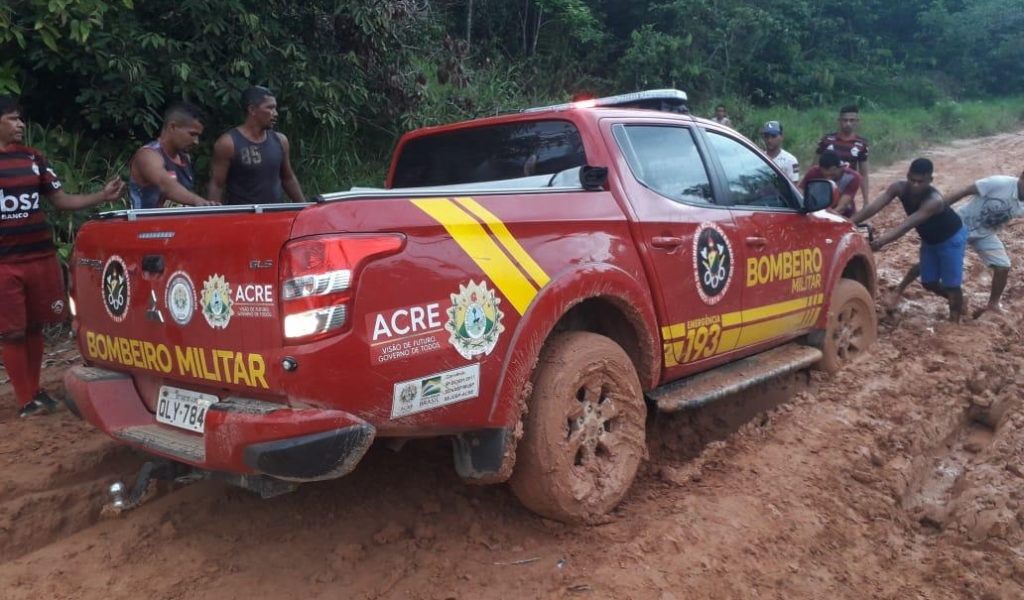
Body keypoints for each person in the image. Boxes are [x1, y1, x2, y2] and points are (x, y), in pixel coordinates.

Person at [0, 95, 125, 417]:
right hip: (4, 264)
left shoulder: (32, 158)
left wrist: (102, 195)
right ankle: (26, 399)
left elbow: (60, 200)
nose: (21, 125)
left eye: (20, 119)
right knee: (12, 330)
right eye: (13, 119)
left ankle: (36, 390)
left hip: (40, 256)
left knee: (35, 326)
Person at [889, 169, 1024, 318]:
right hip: (958, 226)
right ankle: (899, 289)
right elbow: (964, 191)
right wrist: (936, 211)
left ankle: (993, 304)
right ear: (1021, 178)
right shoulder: (999, 183)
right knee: (930, 264)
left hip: (985, 234)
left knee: (1003, 267)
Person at [853, 158, 967, 322]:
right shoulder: (898, 188)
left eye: (920, 182)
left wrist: (880, 242)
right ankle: (957, 300)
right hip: (929, 240)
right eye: (912, 180)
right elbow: (873, 207)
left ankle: (954, 321)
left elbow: (906, 226)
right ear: (907, 175)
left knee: (952, 284)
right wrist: (849, 222)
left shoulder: (933, 201)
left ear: (930, 180)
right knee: (928, 283)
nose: (915, 185)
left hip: (951, 239)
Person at [209, 86, 305, 204]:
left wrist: (304, 207)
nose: (275, 114)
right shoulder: (228, 143)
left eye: (275, 108)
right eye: (270, 108)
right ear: (252, 110)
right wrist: (215, 216)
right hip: (243, 216)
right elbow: (217, 184)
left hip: (276, 213)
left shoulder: (280, 140)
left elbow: (288, 178)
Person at [128, 102, 215, 209]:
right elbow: (165, 184)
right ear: (172, 127)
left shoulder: (185, 158)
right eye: (192, 134)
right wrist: (198, 201)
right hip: (147, 224)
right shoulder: (148, 155)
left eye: (198, 136)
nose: (196, 141)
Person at [816, 105, 870, 206]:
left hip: (847, 189)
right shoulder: (827, 140)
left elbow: (863, 174)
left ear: (857, 122)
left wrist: (866, 201)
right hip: (825, 188)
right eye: (845, 120)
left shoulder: (861, 143)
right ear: (839, 121)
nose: (848, 123)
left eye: (852, 120)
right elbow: (815, 166)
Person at [799, 150, 861, 217]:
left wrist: (827, 216)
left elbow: (842, 206)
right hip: (815, 212)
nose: (829, 178)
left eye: (832, 175)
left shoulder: (852, 177)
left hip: (843, 215)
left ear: (840, 167)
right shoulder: (813, 172)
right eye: (825, 176)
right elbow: (800, 190)